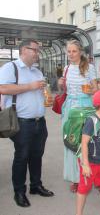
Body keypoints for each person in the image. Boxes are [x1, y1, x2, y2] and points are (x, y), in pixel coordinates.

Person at [0, 39, 54, 207]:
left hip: (40, 121)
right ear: (24, 50)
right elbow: (3, 88)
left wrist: (47, 97)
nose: (37, 53)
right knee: (22, 157)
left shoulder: (37, 71)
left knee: (36, 156)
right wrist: (30, 86)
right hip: (22, 122)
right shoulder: (11, 67)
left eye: (38, 50)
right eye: (35, 50)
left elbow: (41, 91)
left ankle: (36, 186)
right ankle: (19, 192)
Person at [58, 40, 98, 192]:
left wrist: (90, 91)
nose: (71, 54)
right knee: (70, 143)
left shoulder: (90, 67)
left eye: (74, 51)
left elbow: (96, 89)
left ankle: (86, 175)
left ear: (80, 51)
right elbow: (64, 89)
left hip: (85, 107)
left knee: (84, 144)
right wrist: (61, 84)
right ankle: (74, 177)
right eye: (68, 51)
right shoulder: (66, 68)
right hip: (69, 108)